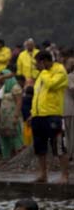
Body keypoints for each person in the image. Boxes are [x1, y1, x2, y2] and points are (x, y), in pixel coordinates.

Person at [30, 51, 70, 183]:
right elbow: (37, 95)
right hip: (38, 115)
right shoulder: (42, 74)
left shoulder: (59, 70)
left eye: (38, 63)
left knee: (58, 146)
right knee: (40, 148)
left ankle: (64, 175)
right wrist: (33, 113)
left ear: (44, 61)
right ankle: (43, 174)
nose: (36, 66)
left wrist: (44, 72)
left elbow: (51, 84)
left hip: (52, 115)